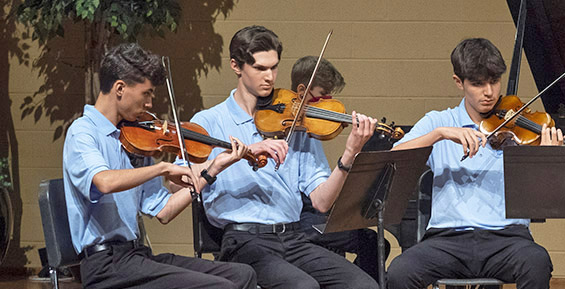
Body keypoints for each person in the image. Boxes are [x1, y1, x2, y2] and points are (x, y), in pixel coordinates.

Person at [187, 25, 378, 289]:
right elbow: (181, 183)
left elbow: (322, 202)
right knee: (302, 287)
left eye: (274, 68)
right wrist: (224, 160)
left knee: (363, 286)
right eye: (260, 68)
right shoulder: (209, 121)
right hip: (244, 242)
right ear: (236, 66)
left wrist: (350, 152)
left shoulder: (295, 124)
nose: (270, 77)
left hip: (293, 237)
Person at [62, 43, 256, 289]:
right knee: (219, 287)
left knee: (242, 275)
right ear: (120, 88)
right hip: (105, 265)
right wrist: (162, 168)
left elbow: (164, 211)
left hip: (135, 256)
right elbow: (104, 181)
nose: (151, 104)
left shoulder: (134, 138)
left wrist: (212, 169)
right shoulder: (83, 132)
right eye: (147, 93)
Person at [386, 38, 557, 289]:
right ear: (459, 82)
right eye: (478, 84)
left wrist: (549, 159)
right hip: (447, 240)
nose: (489, 92)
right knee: (400, 271)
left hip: (507, 239)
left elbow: (544, 194)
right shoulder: (440, 121)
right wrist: (440, 135)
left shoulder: (518, 128)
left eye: (494, 81)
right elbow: (394, 156)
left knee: (536, 262)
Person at [290, 55, 388, 282]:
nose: (327, 104)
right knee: (369, 242)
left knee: (373, 240)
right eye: (322, 96)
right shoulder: (294, 132)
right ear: (303, 91)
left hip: (313, 212)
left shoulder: (310, 133)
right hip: (298, 220)